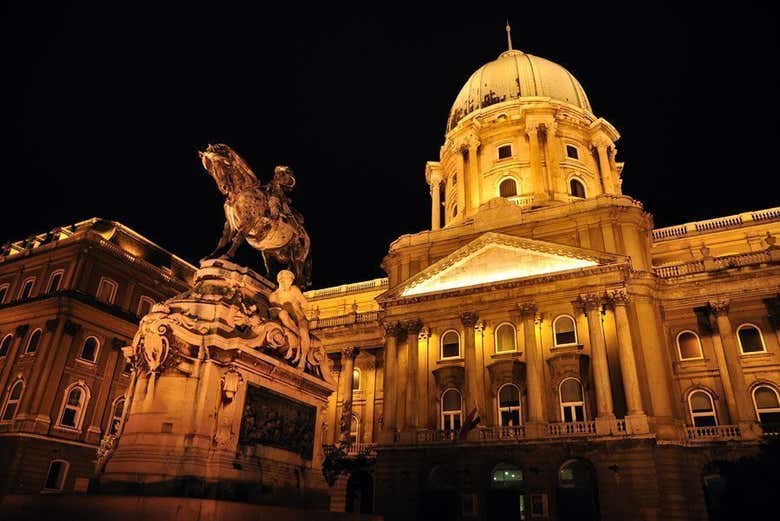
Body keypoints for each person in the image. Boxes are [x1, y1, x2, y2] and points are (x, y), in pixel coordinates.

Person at [269, 269, 311, 368]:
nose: (289, 283)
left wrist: (296, 305)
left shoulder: (294, 290)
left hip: (299, 318)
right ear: (280, 281)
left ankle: (303, 359)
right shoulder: (273, 296)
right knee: (283, 314)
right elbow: (275, 310)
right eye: (288, 280)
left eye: (291, 281)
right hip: (285, 319)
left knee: (304, 331)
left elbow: (305, 304)